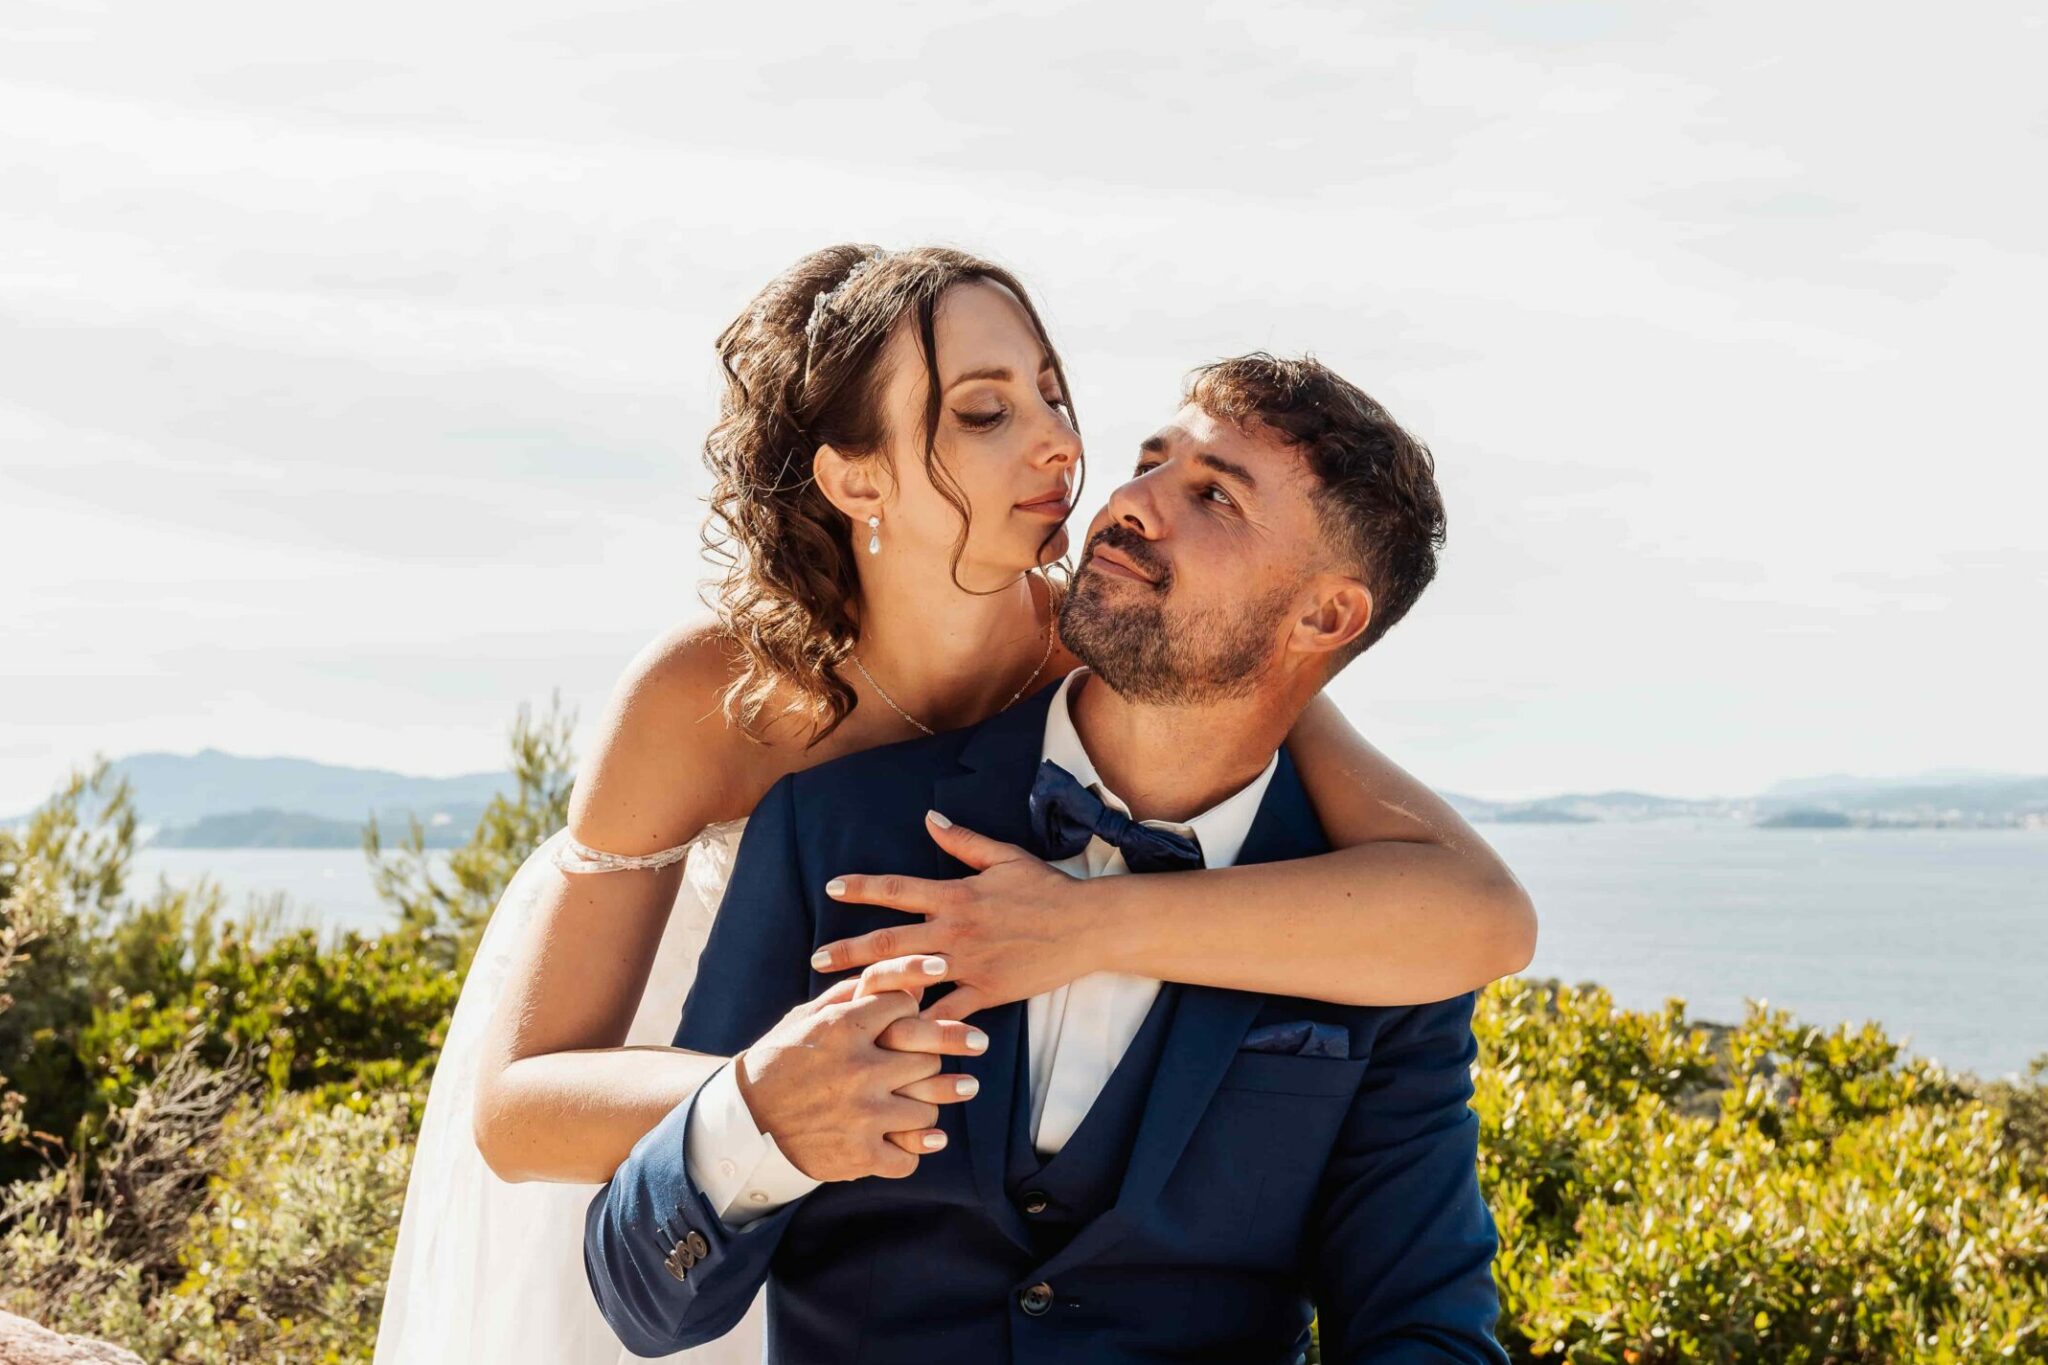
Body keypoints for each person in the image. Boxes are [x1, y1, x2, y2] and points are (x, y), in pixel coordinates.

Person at [374, 247, 1533, 1364]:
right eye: (983, 412)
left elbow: (1461, 902)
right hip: (671, 1111)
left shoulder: (1133, 647)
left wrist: (1084, 928)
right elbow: (519, 1111)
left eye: (1052, 394)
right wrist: (760, 1102)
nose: (1065, 448)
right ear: (855, 479)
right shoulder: (721, 708)